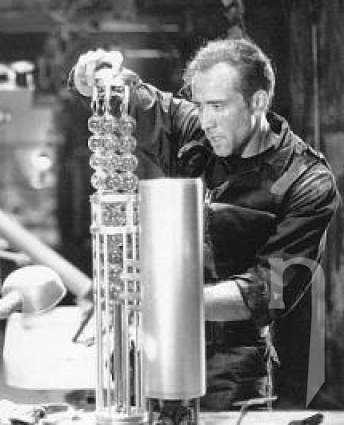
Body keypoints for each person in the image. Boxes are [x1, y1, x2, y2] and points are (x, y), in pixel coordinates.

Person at [69, 38, 340, 410]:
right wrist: (89, 77)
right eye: (199, 105)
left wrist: (162, 299)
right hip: (154, 344)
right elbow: (133, 98)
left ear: (258, 101)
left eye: (217, 106)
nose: (206, 120)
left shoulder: (306, 181)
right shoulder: (196, 130)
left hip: (232, 368)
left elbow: (270, 292)